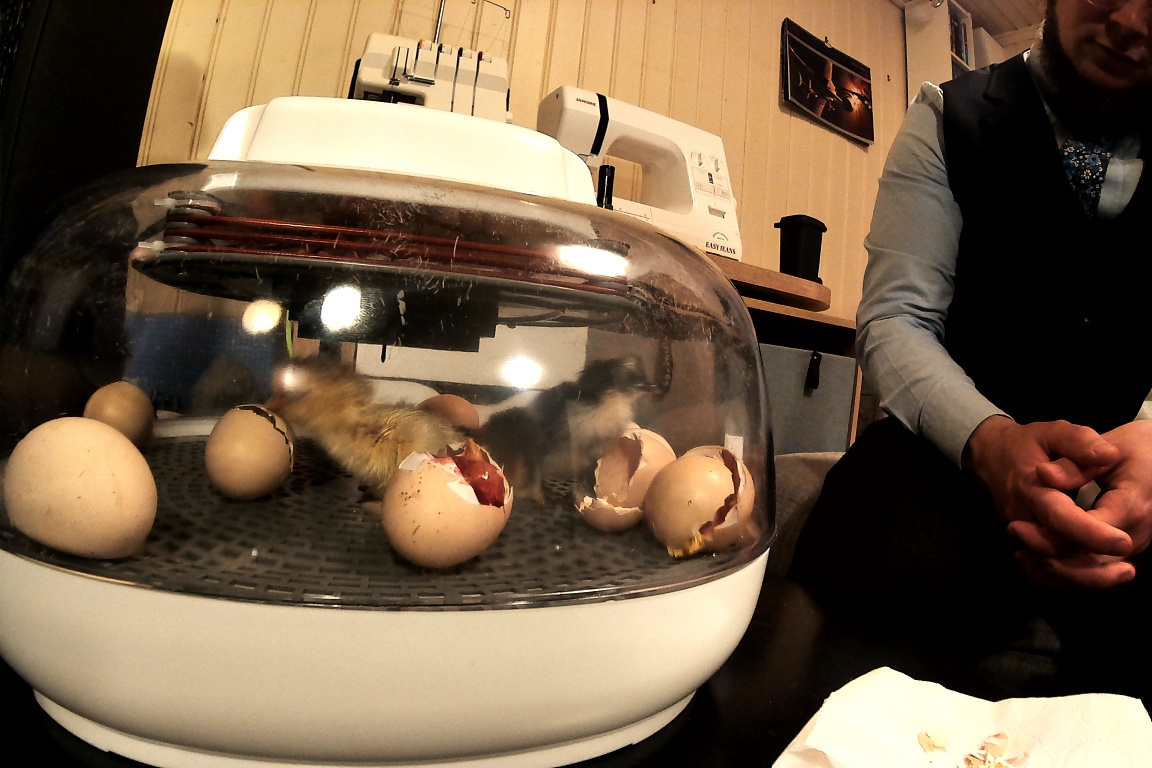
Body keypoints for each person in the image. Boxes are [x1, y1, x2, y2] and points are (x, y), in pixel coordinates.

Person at [787, 0, 1152, 705]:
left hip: (1130, 468)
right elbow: (896, 319)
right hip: (948, 457)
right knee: (881, 557)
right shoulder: (944, 117)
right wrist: (990, 441)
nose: (1132, 22)